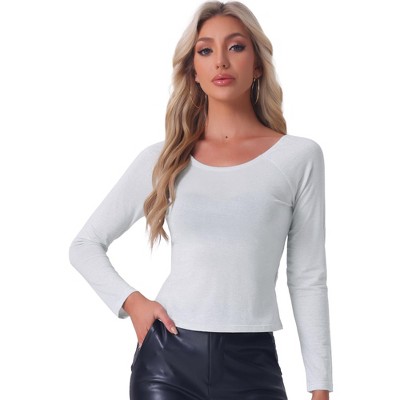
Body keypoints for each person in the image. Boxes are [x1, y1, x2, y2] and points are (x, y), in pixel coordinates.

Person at [69, 1, 333, 399]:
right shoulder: (164, 159)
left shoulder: (298, 157)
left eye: (236, 47)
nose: (221, 61)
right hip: (168, 361)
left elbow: (308, 277)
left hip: (253, 363)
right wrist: (133, 303)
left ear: (257, 65)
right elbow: (84, 244)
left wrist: (320, 387)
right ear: (193, 70)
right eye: (206, 50)